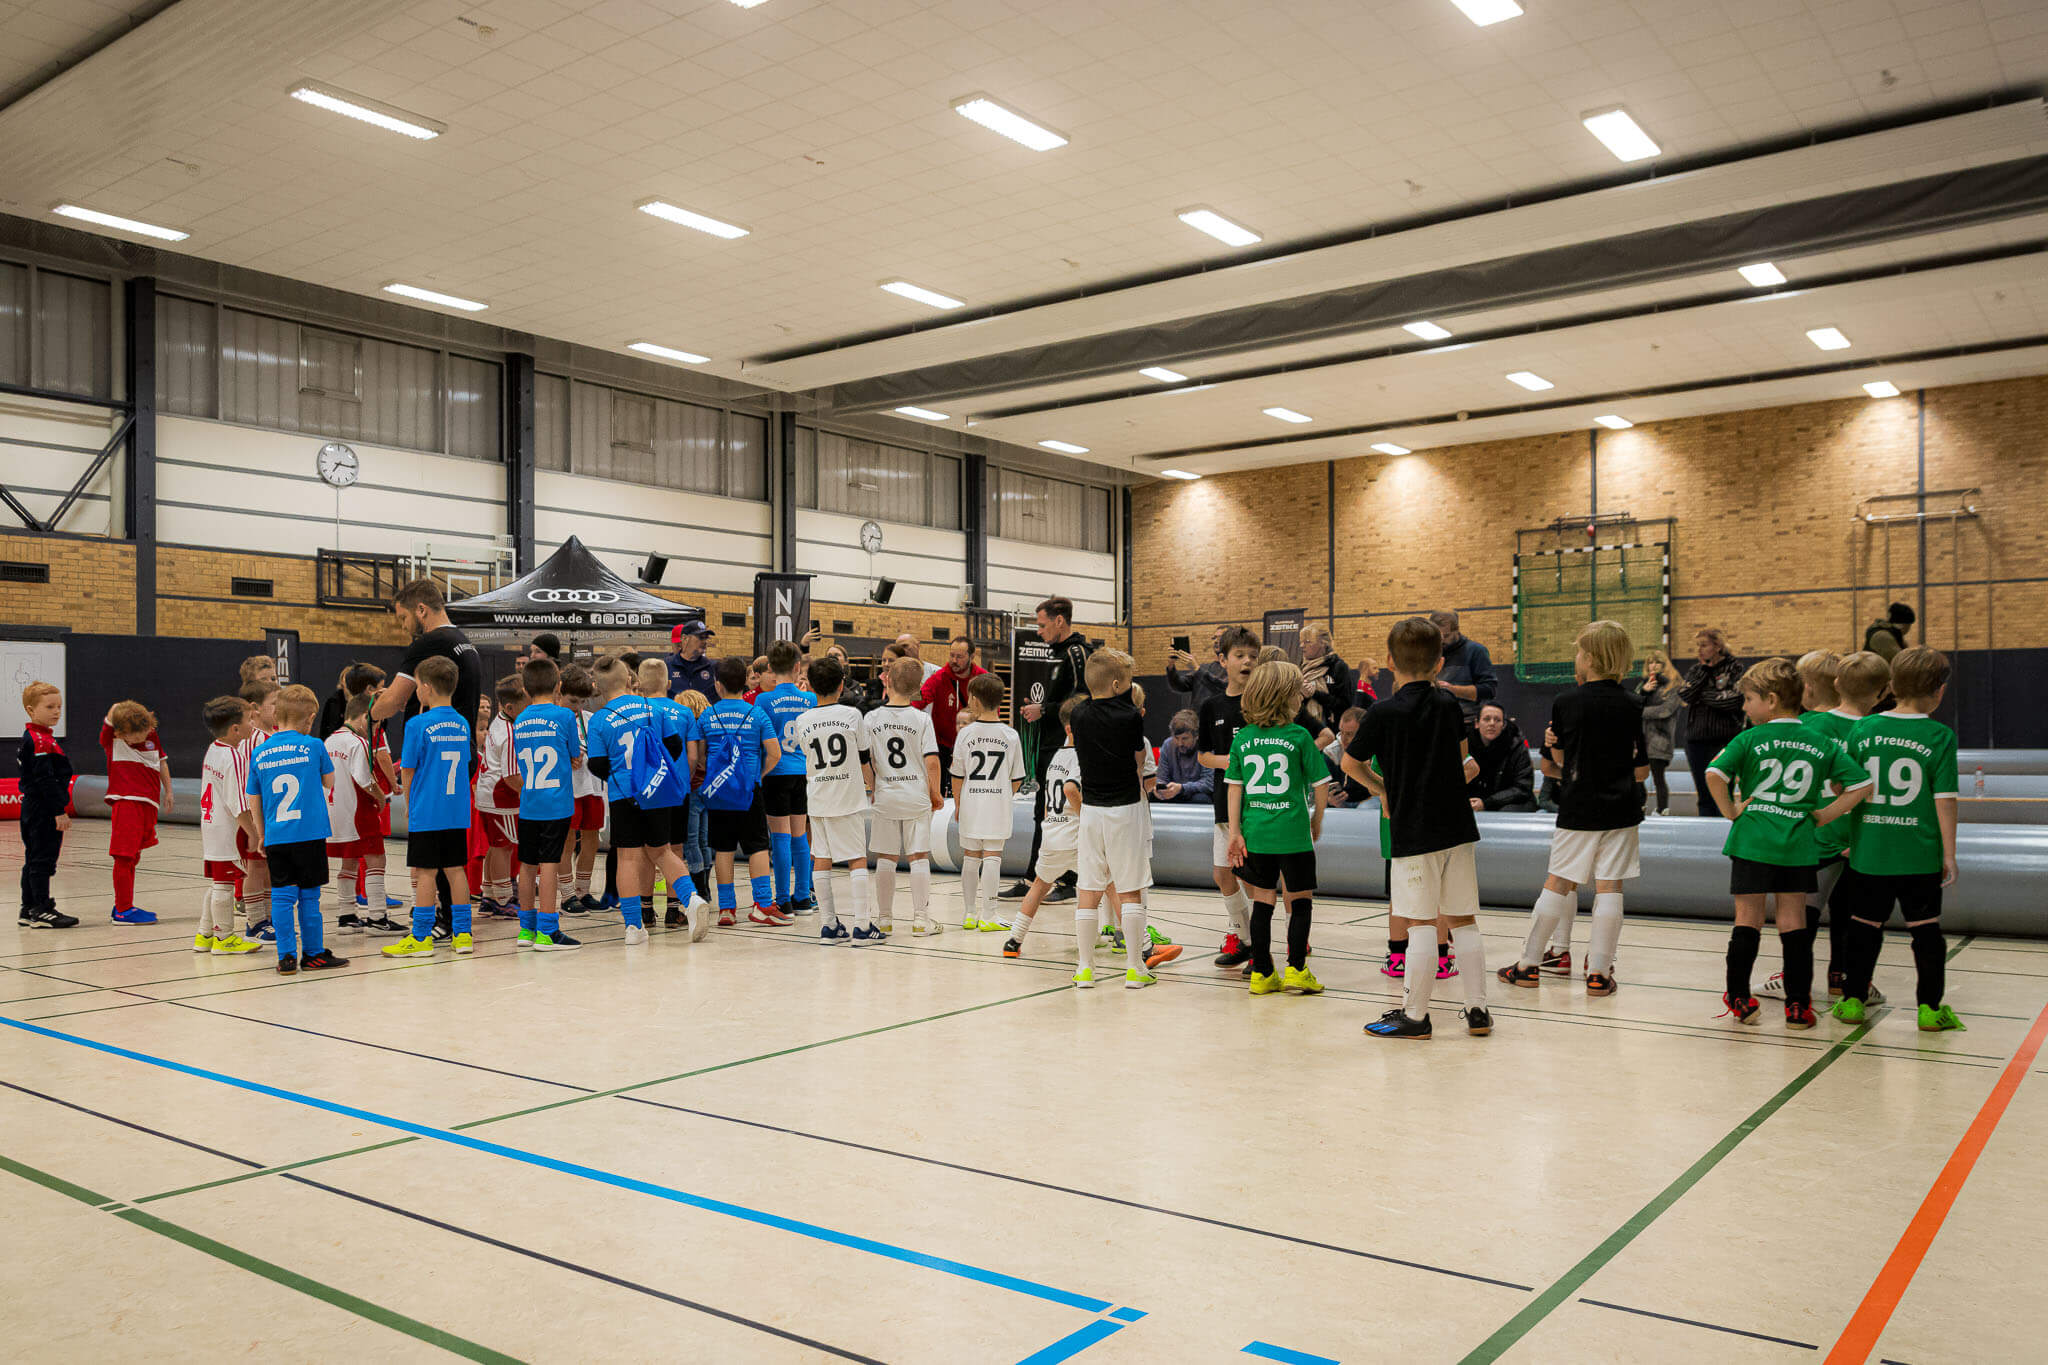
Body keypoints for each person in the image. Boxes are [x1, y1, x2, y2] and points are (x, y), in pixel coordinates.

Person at [1704, 658, 1871, 1028]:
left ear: (1772, 700)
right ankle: (1798, 1005)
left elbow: (1714, 773)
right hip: (1797, 843)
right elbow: (1861, 784)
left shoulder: (1749, 738)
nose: (1744, 708)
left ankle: (1739, 997)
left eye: (1748, 699)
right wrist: (1825, 815)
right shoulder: (1819, 742)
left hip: (1752, 841)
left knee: (1747, 919)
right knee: (1793, 922)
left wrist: (1731, 811)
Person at [1346, 616, 1492, 1039]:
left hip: (1413, 831)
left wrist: (1383, 789)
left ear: (1390, 661)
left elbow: (1350, 763)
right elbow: (1462, 761)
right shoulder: (1450, 705)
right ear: (1440, 663)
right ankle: (1478, 1011)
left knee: (1421, 922)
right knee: (1463, 920)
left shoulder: (1382, 712)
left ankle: (1415, 1015)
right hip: (1458, 827)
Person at [1497, 622, 1649, 996]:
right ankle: (1599, 973)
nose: (1576, 657)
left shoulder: (1567, 702)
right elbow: (1642, 770)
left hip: (1579, 806)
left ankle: (1528, 964)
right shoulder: (1633, 704)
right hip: (1623, 808)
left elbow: (1556, 766)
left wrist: (1559, 748)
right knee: (1610, 886)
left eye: (1579, 651)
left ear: (1591, 658)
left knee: (1559, 882)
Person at [1831, 647, 1963, 1031]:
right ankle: (1929, 1009)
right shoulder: (1940, 736)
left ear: (1891, 685)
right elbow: (1945, 799)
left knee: (1863, 927)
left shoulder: (1863, 729)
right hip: (1919, 855)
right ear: (1939, 691)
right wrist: (1949, 854)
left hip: (1870, 854)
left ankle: (1852, 1001)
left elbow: (1840, 784)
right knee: (1926, 930)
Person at [1756, 650, 1863, 1003]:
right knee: (1846, 910)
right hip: (1855, 834)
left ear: (1807, 689)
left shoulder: (1802, 726)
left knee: (1802, 911)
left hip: (1816, 834)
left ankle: (1793, 978)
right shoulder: (1864, 727)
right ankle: (1842, 978)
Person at [1226, 659, 1330, 996]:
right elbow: (1321, 784)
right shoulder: (1299, 735)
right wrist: (1317, 819)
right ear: (1284, 697)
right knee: (1299, 899)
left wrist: (1235, 832)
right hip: (1294, 834)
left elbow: (1234, 788)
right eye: (1297, 692)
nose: (1301, 697)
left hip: (1256, 834)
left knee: (1263, 900)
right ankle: (1297, 969)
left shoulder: (1243, 738)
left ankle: (1262, 972)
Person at [1067, 649, 1161, 989]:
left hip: (1091, 810)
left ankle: (1085, 969)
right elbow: (1138, 760)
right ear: (1118, 684)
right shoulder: (1131, 716)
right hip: (1125, 808)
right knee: (1130, 889)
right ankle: (1135, 968)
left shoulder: (1078, 714)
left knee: (1088, 889)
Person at [246, 684, 346, 975]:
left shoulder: (260, 752)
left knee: (281, 896)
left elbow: (254, 798)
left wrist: (261, 833)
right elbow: (329, 782)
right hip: (309, 833)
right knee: (309, 897)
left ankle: (286, 956)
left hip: (277, 835)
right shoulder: (314, 745)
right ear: (311, 718)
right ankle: (313, 954)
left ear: (276, 714)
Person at [1001, 596, 1093, 901]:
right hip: (1051, 743)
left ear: (1059, 620)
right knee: (1045, 811)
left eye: (1042, 625)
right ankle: (1039, 877)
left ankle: (1062, 879)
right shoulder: (1058, 654)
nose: (1039, 632)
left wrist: (1045, 709)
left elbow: (1082, 699)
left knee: (1061, 811)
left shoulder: (1077, 653)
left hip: (1067, 746)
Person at [785, 656, 883, 944]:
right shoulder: (852, 715)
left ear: (811, 686)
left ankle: (829, 926)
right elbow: (864, 758)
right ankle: (862, 926)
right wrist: (874, 787)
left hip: (817, 798)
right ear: (842, 685)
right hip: (847, 798)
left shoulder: (802, 720)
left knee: (822, 859)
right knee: (856, 859)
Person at [384, 655, 475, 959]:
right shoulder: (462, 723)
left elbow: (408, 770)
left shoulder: (417, 724)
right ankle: (463, 935)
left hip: (428, 810)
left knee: (425, 873)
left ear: (425, 687)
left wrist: (410, 804)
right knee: (456, 871)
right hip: (456, 810)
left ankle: (421, 937)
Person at [695, 655, 783, 929]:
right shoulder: (756, 713)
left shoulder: (708, 715)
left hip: (719, 792)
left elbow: (699, 756)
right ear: (745, 682)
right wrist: (758, 774)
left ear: (718, 685)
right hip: (749, 790)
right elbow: (774, 753)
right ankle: (762, 904)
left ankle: (726, 909)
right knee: (757, 847)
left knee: (723, 849)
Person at [509, 655, 587, 951]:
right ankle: (548, 930)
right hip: (556, 804)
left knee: (527, 865)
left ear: (525, 689)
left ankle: (525, 930)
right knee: (550, 865)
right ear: (558, 686)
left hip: (530, 802)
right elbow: (574, 755)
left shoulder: (520, 719)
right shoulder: (564, 716)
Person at [863, 657, 944, 935]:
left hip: (886, 795)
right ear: (918, 687)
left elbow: (866, 760)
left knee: (885, 858)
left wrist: (873, 787)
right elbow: (932, 761)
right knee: (918, 857)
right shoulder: (921, 719)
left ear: (887, 680)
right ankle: (921, 920)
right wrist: (935, 793)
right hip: (916, 795)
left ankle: (884, 919)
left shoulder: (871, 718)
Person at [1197, 626, 1262, 969]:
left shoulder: (1263, 704)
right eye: (1239, 655)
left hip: (1258, 805)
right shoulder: (1212, 706)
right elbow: (1203, 756)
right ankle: (1245, 939)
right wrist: (1230, 762)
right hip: (1225, 802)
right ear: (1223, 660)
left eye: (1253, 656)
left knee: (1252, 877)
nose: (1247, 661)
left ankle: (1261, 949)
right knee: (1222, 874)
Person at [1001, 696, 1084, 960]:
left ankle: (1014, 940)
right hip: (1075, 835)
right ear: (1072, 728)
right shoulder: (1080, 756)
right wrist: (1087, 818)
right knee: (1108, 885)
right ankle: (1134, 941)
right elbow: (1071, 790)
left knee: (1038, 886)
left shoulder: (1055, 756)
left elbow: (1048, 802)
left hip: (1052, 834)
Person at [633, 658, 706, 935]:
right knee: (675, 850)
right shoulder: (684, 712)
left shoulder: (635, 710)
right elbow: (693, 756)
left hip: (645, 792)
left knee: (645, 851)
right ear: (668, 682)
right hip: (676, 791)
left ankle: (646, 911)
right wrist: (683, 781)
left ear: (639, 683)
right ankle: (674, 912)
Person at [952, 674, 1026, 932]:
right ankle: (989, 915)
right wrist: (1003, 794)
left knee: (971, 857)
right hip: (998, 804)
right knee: (993, 856)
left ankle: (969, 913)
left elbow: (957, 775)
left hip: (970, 802)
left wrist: (958, 804)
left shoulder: (965, 734)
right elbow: (1018, 778)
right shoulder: (1011, 735)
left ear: (974, 700)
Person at [192, 695, 260, 952]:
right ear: (235, 729)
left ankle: (205, 934)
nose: (253, 723)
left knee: (218, 882)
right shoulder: (234, 757)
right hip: (227, 830)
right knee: (224, 885)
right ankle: (224, 938)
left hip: (211, 824)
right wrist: (253, 832)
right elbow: (237, 804)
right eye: (249, 720)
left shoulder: (213, 749)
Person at [756, 640, 818, 917]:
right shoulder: (810, 699)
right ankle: (803, 896)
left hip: (776, 772)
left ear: (770, 667)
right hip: (803, 772)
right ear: (797, 667)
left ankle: (783, 900)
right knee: (800, 835)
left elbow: (762, 740)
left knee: (780, 837)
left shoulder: (763, 699)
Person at [101, 700, 172, 925]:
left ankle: (124, 904)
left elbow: (161, 763)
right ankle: (123, 910)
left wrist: (169, 791)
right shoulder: (111, 740)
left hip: (148, 805)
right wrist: (127, 710)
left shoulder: (150, 734)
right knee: (124, 856)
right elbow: (114, 709)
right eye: (135, 736)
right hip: (127, 804)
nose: (141, 738)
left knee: (134, 856)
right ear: (120, 733)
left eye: (145, 732)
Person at [16, 681, 78, 929]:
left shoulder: (42, 737)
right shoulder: (38, 740)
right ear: (31, 710)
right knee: (42, 859)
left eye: (59, 706)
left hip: (35, 807)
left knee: (33, 858)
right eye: (50, 707)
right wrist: (58, 810)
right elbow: (45, 780)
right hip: (42, 808)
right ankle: (41, 908)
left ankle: (28, 907)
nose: (56, 711)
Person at [324, 694, 387, 937]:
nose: (376, 730)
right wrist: (381, 798)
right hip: (357, 811)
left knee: (348, 861)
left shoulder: (329, 741)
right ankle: (378, 917)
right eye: (375, 724)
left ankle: (346, 915)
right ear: (364, 718)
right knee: (376, 859)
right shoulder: (358, 742)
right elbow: (365, 780)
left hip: (335, 812)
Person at [473, 674, 525, 918]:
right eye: (527, 704)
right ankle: (504, 899)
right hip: (501, 797)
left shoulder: (499, 721)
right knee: (504, 848)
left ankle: (489, 895)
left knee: (496, 847)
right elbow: (512, 776)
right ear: (510, 707)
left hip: (489, 795)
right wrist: (530, 794)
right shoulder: (510, 732)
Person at [1680, 627, 1745, 817]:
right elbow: (1685, 694)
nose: (1699, 650)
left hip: (1724, 741)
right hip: (1696, 741)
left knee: (1723, 795)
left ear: (1717, 646)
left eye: (1704, 645)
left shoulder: (1734, 668)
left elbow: (1733, 700)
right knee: (1704, 797)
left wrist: (1701, 694)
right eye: (1697, 646)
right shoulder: (1696, 670)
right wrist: (1704, 673)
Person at [557, 664, 605, 914]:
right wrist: (566, 758)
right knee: (566, 842)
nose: (577, 706)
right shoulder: (554, 718)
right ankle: (567, 895)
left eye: (582, 702)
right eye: (573, 701)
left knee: (591, 840)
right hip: (567, 789)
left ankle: (583, 891)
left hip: (592, 787)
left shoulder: (590, 719)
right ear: (559, 692)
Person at [919, 636, 987, 792]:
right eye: (952, 655)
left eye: (959, 657)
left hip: (972, 746)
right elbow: (919, 699)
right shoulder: (939, 677)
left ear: (972, 656)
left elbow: (992, 710)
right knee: (938, 791)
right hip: (943, 745)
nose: (954, 660)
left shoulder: (982, 678)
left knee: (970, 792)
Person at [1634, 649, 1682, 814]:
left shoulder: (1672, 686)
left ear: (1664, 665)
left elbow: (1665, 711)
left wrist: (1641, 711)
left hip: (1660, 739)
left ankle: (1662, 809)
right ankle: (1639, 807)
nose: (1653, 666)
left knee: (1658, 777)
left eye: (1657, 662)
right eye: (1650, 663)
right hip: (1641, 739)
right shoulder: (1643, 685)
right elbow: (1631, 705)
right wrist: (1643, 692)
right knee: (1638, 776)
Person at [1428, 609, 1497, 723]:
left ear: (1457, 630)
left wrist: (1453, 690)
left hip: (1468, 722)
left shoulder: (1476, 651)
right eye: (1437, 637)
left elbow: (1489, 691)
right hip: (1437, 722)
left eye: (1446, 636)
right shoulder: (1429, 653)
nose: (1441, 640)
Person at [1465, 702, 1535, 812]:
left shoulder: (1516, 746)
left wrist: (1486, 803)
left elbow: (1523, 787)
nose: (1492, 723)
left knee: (1507, 812)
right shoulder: (1464, 745)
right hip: (1474, 800)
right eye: (1487, 719)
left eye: (1497, 720)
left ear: (1503, 725)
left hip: (1511, 802)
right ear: (1477, 723)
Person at [1298, 623, 1356, 735]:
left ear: (1323, 643)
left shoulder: (1338, 667)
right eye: (1301, 642)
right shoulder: (1302, 668)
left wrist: (1315, 693)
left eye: (1307, 642)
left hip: (1331, 730)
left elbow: (1345, 705)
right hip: (1305, 730)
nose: (1301, 646)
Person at [1152, 710, 1211, 805]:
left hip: (1196, 794)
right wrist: (1160, 788)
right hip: (1173, 793)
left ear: (1196, 736)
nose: (1180, 743)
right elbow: (1162, 777)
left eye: (1185, 738)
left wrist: (1182, 788)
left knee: (1201, 799)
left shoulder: (1206, 747)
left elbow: (1209, 783)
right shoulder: (1168, 745)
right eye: (1176, 738)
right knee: (1153, 796)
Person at [1166, 626, 1230, 714]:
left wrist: (1197, 669)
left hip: (1219, 717)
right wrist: (1171, 665)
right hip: (1198, 719)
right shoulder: (1204, 668)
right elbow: (1179, 685)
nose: (1216, 641)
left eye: (1220, 637)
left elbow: (1222, 688)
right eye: (1214, 638)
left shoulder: (1233, 669)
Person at [666, 621, 719, 701]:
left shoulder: (713, 667)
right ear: (685, 638)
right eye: (701, 637)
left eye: (706, 638)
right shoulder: (667, 666)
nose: (705, 642)